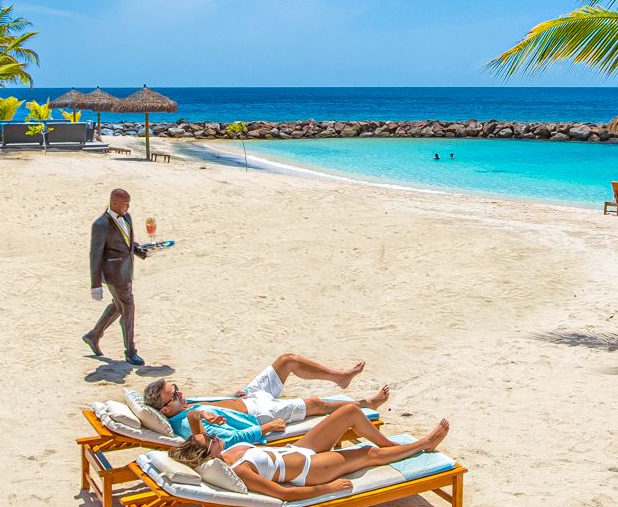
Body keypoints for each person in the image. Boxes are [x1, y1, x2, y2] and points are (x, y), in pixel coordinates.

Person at [170, 405, 448, 500]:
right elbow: (283, 494)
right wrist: (327, 488)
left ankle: (395, 447)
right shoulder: (239, 469)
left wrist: (201, 413)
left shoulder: (222, 452)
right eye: (211, 439)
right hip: (310, 471)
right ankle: (424, 443)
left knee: (349, 412)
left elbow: (194, 421)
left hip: (299, 450)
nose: (216, 436)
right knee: (367, 453)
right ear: (207, 453)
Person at [144, 354, 390, 447]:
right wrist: (266, 428)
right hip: (258, 413)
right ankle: (366, 404)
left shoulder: (184, 405)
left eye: (175, 387)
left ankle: (340, 377)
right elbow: (226, 439)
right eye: (174, 395)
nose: (179, 392)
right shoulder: (187, 424)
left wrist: (232, 397)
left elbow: (215, 406)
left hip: (248, 396)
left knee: (287, 360)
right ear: (165, 410)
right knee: (315, 404)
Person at [85, 188, 148, 365]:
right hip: (113, 275)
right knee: (128, 308)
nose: (128, 206)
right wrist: (95, 284)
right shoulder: (100, 225)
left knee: (119, 306)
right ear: (114, 203)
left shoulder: (127, 217)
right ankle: (130, 351)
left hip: (126, 272)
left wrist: (140, 251)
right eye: (125, 203)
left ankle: (93, 335)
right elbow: (95, 255)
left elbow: (128, 242)